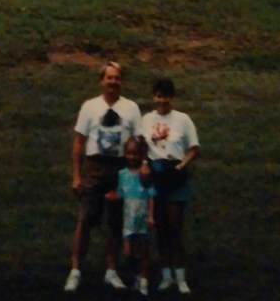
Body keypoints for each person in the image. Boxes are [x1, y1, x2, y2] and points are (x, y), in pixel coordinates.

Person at [64, 61, 142, 294]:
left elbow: (138, 142)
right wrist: (77, 175)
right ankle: (76, 270)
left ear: (122, 81)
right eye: (109, 78)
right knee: (86, 219)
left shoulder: (131, 108)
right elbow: (79, 142)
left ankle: (111, 270)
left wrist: (137, 172)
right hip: (95, 167)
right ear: (102, 81)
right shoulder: (90, 107)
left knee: (116, 222)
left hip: (120, 168)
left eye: (117, 78)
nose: (113, 82)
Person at [140, 77, 199, 296]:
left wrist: (182, 165)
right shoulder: (147, 119)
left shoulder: (182, 120)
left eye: (165, 96)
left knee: (175, 226)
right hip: (157, 174)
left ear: (171, 97)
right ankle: (166, 275)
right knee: (161, 227)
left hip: (175, 173)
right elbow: (142, 145)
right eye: (158, 95)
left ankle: (181, 276)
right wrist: (145, 164)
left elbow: (193, 148)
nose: (161, 100)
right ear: (153, 96)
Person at [106, 135, 156, 297]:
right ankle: (136, 274)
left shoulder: (146, 174)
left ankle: (144, 280)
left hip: (142, 217)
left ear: (142, 155)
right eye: (129, 153)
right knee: (128, 252)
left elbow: (151, 195)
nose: (132, 157)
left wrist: (151, 216)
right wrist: (114, 196)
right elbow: (122, 192)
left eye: (135, 153)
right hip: (129, 218)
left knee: (144, 251)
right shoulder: (123, 174)